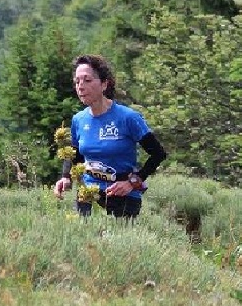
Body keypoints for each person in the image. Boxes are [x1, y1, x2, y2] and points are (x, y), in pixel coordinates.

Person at [54, 54, 167, 218]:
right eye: (77, 81)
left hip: (121, 197)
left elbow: (158, 154)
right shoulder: (79, 120)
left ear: (104, 84)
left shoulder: (128, 117)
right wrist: (66, 178)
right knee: (85, 242)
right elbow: (75, 153)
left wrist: (132, 183)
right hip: (87, 194)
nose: (81, 86)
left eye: (87, 80)